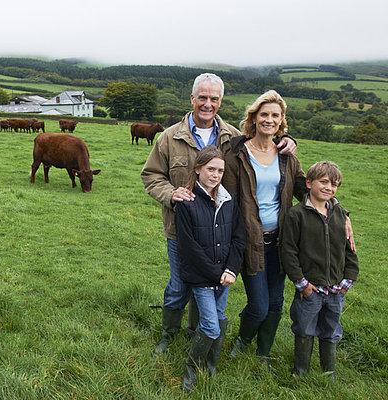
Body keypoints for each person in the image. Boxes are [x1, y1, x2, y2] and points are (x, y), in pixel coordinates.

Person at [141, 74, 296, 356]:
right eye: (202, 97)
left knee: (212, 286)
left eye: (214, 99)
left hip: (221, 233)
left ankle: (197, 333)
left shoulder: (234, 139)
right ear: (192, 99)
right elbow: (151, 176)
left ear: (220, 101)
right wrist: (170, 194)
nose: (207, 104)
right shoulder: (169, 137)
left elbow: (265, 142)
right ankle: (168, 334)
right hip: (180, 230)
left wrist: (287, 140)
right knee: (179, 286)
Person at [223, 90, 308, 367]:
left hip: (281, 242)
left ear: (281, 121)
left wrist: (338, 213)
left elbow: (305, 191)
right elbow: (229, 201)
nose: (269, 120)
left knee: (275, 304)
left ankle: (262, 353)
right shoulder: (237, 155)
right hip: (250, 241)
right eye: (264, 115)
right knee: (259, 306)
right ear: (254, 118)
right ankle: (242, 341)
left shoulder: (286, 156)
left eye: (275, 115)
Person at [174, 146, 245, 392]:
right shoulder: (187, 203)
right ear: (197, 170)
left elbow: (238, 238)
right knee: (211, 325)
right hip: (203, 277)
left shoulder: (228, 200)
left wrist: (232, 269)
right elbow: (188, 247)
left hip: (225, 275)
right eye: (210, 169)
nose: (215, 175)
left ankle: (210, 365)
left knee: (219, 316)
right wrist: (217, 273)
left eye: (220, 171)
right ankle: (191, 370)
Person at [281, 161, 358, 380]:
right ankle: (301, 372)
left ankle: (328, 373)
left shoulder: (340, 215)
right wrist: (301, 284)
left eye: (334, 185)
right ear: (308, 183)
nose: (329, 188)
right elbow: (289, 252)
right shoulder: (297, 215)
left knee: (331, 330)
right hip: (310, 289)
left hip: (336, 289)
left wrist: (348, 280)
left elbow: (350, 250)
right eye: (323, 182)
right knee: (304, 329)